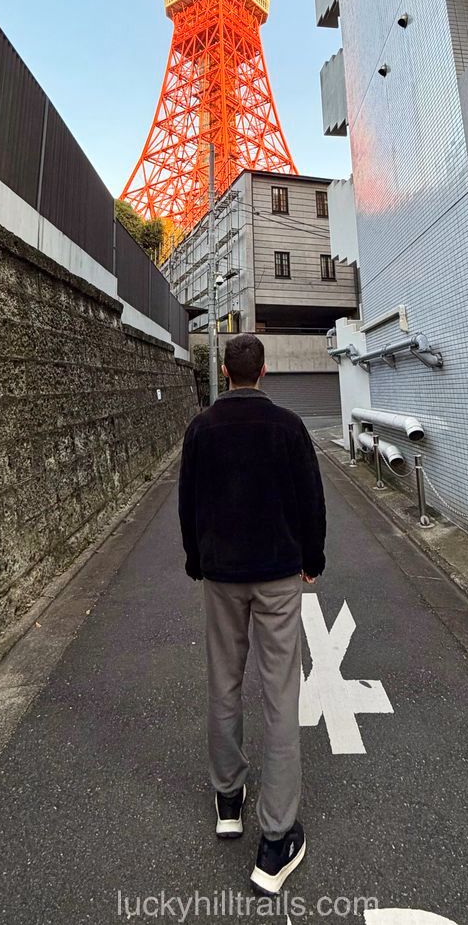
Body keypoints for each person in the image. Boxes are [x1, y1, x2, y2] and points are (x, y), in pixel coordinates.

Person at [178, 332, 326, 897]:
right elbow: (310, 498)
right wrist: (311, 559)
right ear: (264, 372)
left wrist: (198, 560)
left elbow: (188, 502)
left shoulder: (201, 430)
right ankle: (276, 838)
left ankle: (228, 801)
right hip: (278, 574)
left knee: (224, 683)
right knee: (280, 693)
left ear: (225, 370)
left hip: (221, 575)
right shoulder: (288, 428)